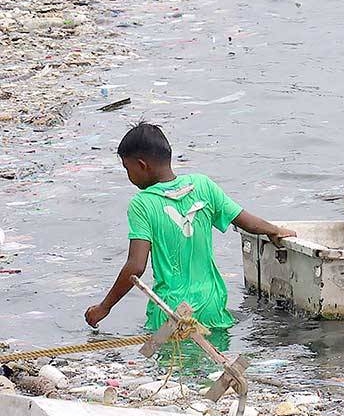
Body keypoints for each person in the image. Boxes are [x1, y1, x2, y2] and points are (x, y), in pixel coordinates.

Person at [85, 123, 295, 331]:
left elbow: (136, 266)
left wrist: (105, 307)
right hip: (212, 306)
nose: (128, 175)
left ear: (141, 165)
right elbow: (246, 221)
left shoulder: (142, 203)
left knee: (169, 360)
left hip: (170, 311)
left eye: (126, 168)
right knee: (216, 361)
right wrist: (274, 230)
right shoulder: (202, 185)